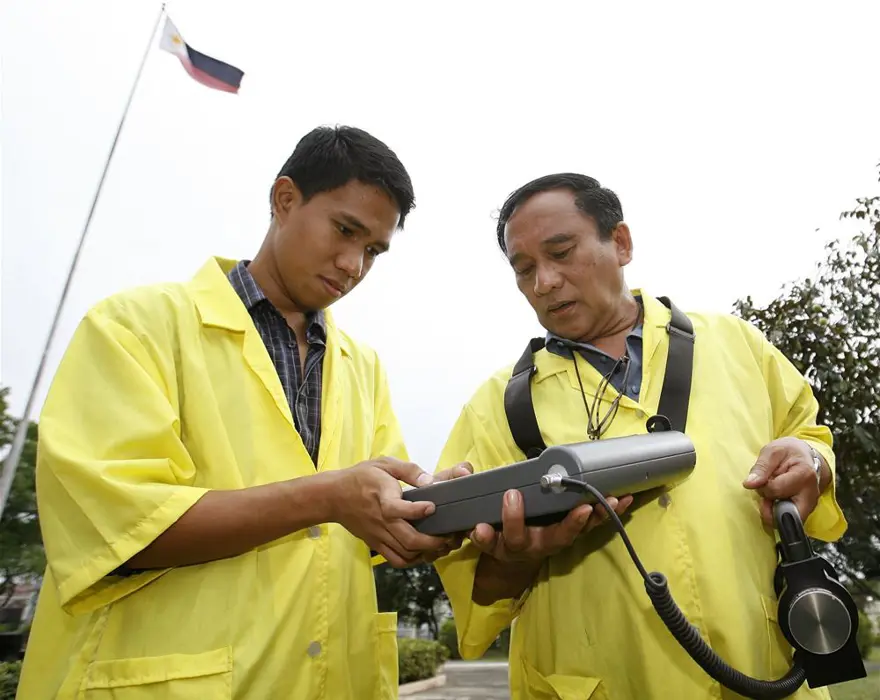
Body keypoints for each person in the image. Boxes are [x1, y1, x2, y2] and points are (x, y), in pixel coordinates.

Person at [18, 125, 469, 700]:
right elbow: (121, 530)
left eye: (374, 251)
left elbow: (376, 520)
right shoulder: (135, 327)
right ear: (284, 199)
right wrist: (328, 496)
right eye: (345, 230)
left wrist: (441, 509)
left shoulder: (364, 367)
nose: (354, 264)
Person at [432, 173, 847, 700]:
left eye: (561, 252)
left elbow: (809, 434)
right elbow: (475, 590)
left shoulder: (735, 343)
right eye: (525, 269)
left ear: (621, 243)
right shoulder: (497, 407)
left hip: (763, 670)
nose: (544, 282)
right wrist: (516, 559)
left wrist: (813, 460)